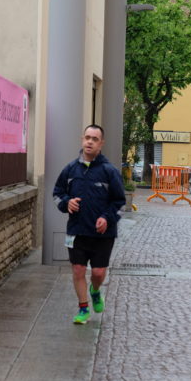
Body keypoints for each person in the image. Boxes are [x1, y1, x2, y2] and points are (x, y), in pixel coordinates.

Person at [53, 125, 126, 324]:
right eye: (87, 137)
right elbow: (57, 193)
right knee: (78, 270)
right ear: (82, 139)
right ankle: (83, 308)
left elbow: (120, 202)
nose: (90, 142)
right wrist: (66, 202)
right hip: (77, 230)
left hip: (103, 234)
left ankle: (95, 290)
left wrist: (107, 218)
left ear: (101, 144)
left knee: (98, 272)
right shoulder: (70, 169)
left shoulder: (109, 171)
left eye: (94, 139)